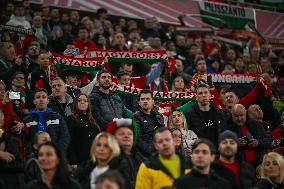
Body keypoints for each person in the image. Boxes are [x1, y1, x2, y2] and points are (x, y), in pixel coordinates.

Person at [24, 88, 70, 156]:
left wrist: (56, 152)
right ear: (34, 101)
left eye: (44, 97)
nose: (41, 99)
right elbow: (25, 140)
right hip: (34, 157)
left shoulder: (58, 117)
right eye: (38, 97)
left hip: (56, 155)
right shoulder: (27, 120)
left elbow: (65, 137)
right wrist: (32, 153)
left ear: (48, 101)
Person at [106, 118, 145, 189]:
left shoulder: (140, 158)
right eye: (121, 134)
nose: (126, 136)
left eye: (130, 134)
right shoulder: (109, 159)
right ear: (113, 137)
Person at [66, 93, 101, 166]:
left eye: (85, 101)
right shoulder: (71, 119)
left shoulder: (93, 121)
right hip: (79, 160)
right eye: (79, 100)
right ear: (75, 104)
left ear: (88, 104)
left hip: (93, 160)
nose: (82, 102)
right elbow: (70, 142)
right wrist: (73, 162)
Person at [133, 89, 164, 157]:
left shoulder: (158, 116)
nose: (145, 101)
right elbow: (138, 140)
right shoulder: (136, 117)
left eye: (148, 99)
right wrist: (152, 152)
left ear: (152, 101)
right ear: (139, 102)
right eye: (142, 99)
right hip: (144, 155)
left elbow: (163, 134)